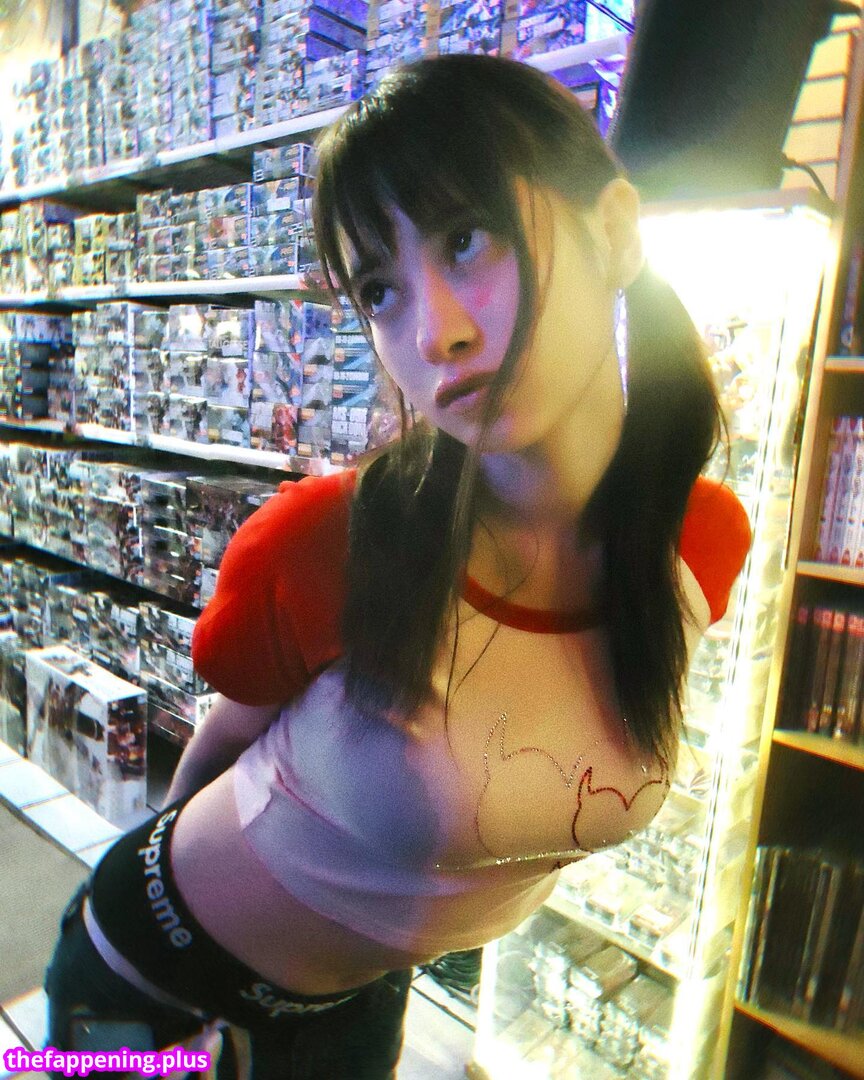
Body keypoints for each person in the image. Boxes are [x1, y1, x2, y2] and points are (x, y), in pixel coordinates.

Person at [44, 53, 751, 1080]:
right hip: (151, 979)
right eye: (379, 290)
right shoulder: (332, 542)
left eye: (469, 238)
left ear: (614, 232)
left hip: (359, 1004)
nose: (434, 332)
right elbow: (215, 760)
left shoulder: (698, 545)